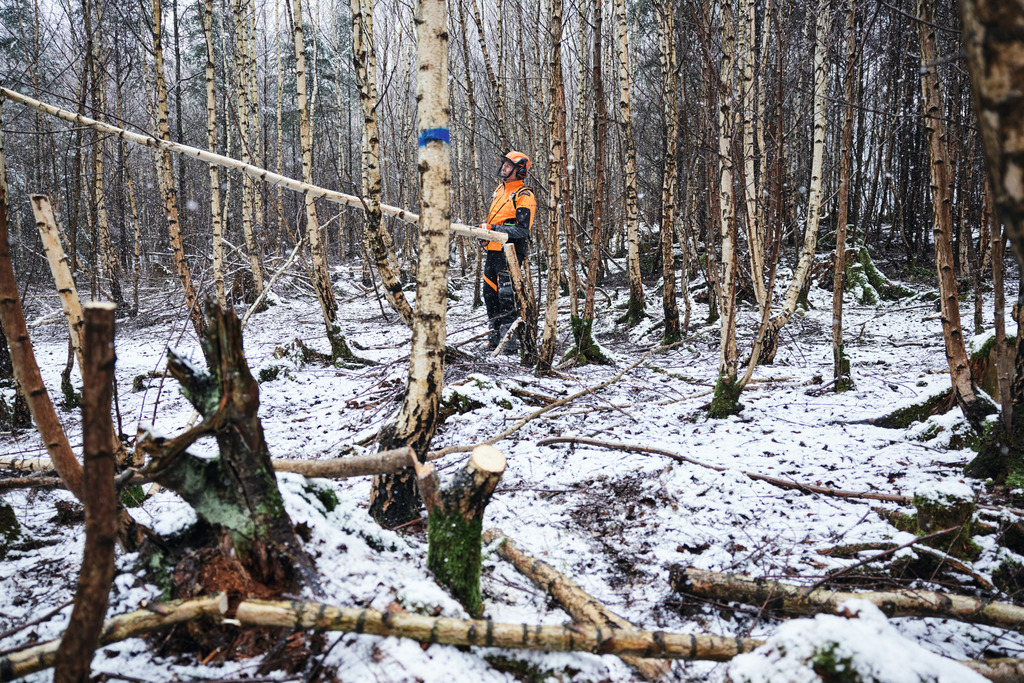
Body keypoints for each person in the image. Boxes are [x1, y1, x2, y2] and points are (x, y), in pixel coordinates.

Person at [479, 151, 536, 353]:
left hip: (510, 253)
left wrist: (493, 229)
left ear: (519, 171)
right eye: (503, 164)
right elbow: (496, 221)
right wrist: (485, 234)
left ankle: (509, 342)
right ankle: (494, 338)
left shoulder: (524, 196)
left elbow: (522, 230)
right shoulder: (499, 190)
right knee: (489, 295)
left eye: (508, 165)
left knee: (507, 297)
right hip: (493, 251)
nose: (503, 168)